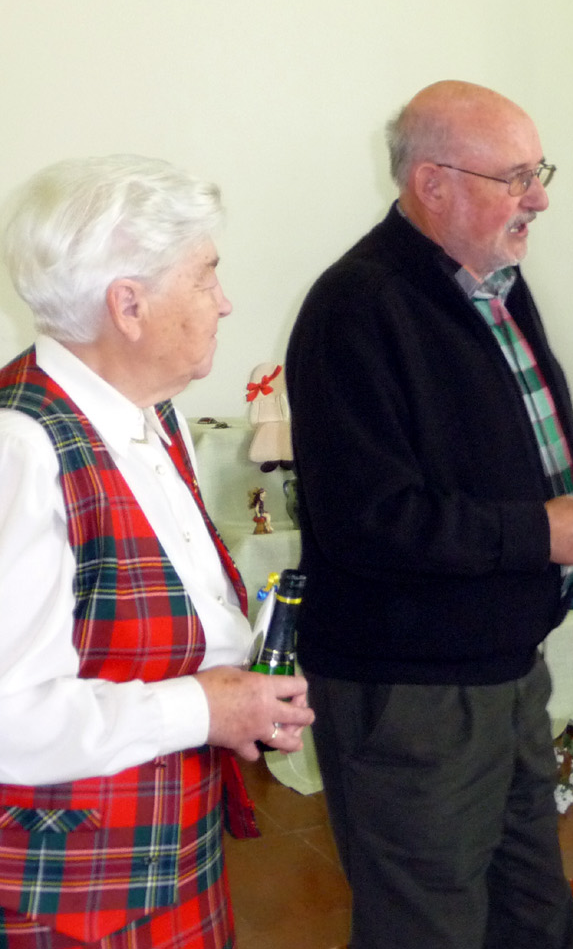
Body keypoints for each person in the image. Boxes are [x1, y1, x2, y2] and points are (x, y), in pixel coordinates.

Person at [285, 80, 573, 949]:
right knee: (428, 926)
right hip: (412, 690)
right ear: (432, 184)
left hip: (507, 668)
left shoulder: (498, 285)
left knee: (533, 917)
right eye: (515, 177)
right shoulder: (355, 307)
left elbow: (511, 447)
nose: (539, 198)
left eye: (539, 172)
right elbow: (369, 520)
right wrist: (544, 530)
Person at [0, 154, 313, 948]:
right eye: (205, 276)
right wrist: (206, 706)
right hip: (71, 898)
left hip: (167, 853)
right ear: (128, 305)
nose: (224, 299)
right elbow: (9, 716)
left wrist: (245, 696)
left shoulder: (147, 409)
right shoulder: (21, 448)